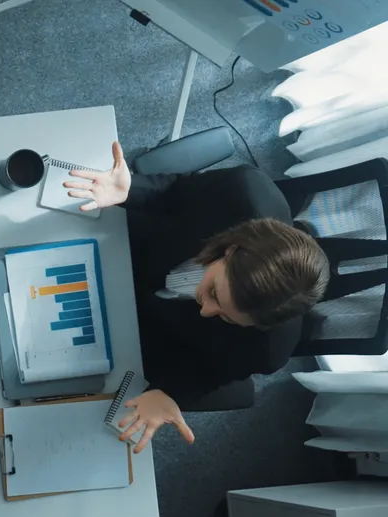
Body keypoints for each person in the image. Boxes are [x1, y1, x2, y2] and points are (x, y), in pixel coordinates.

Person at [63, 142, 331, 451]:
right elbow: (175, 192)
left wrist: (170, 393)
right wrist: (130, 189)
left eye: (227, 317)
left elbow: (211, 372)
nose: (206, 311)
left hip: (142, 331)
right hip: (126, 247)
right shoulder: (241, 191)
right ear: (231, 249)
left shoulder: (268, 350)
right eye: (215, 292)